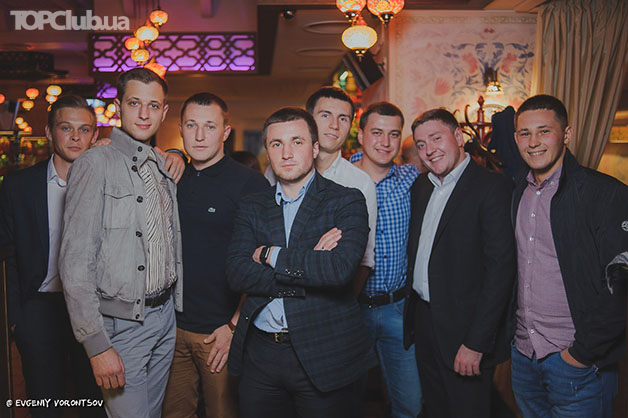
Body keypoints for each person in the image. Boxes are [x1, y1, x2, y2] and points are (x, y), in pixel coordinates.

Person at [226, 107, 376, 418]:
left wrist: (269, 255)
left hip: (325, 352)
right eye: (276, 144)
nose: (286, 153)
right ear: (267, 151)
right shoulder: (252, 205)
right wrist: (310, 266)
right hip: (261, 356)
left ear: (315, 148)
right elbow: (237, 273)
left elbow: (339, 270)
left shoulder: (346, 200)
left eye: (297, 141)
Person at [59, 68, 182, 418]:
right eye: (134, 103)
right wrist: (96, 344)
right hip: (121, 324)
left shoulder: (162, 165)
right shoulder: (95, 162)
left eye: (153, 105)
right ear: (118, 107)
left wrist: (178, 154)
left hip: (164, 318)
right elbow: (75, 262)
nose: (144, 114)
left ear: (164, 112)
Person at [510, 94, 628, 418]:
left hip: (577, 363)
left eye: (544, 131)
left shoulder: (606, 193)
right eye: (525, 133)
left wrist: (580, 354)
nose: (533, 142)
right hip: (524, 356)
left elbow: (620, 286)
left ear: (567, 134)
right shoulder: (516, 190)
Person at [404, 108, 516, 418]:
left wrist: (476, 342)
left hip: (465, 329)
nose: (429, 150)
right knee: (435, 408)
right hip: (425, 321)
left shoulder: (493, 187)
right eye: (421, 144)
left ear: (458, 136)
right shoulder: (421, 187)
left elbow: (500, 272)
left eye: (436, 138)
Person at [162, 93, 268, 418]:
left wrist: (234, 325)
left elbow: (262, 263)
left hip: (220, 332)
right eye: (191, 125)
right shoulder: (170, 177)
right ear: (180, 129)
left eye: (209, 126)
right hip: (169, 328)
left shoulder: (250, 184)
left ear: (225, 131)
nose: (199, 135)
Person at [0, 95, 106, 418]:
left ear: (94, 136)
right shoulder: (17, 186)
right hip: (40, 310)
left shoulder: (108, 186)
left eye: (84, 129)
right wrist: (16, 318)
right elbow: (7, 254)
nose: (75, 137)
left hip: (93, 310)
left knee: (93, 404)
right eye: (66, 128)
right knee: (45, 403)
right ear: (49, 132)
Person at [350, 102, 423, 418]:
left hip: (397, 309)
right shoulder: (339, 178)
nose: (385, 142)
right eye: (377, 132)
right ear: (361, 135)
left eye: (393, 134)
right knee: (343, 401)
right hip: (350, 309)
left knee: (410, 404)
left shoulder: (411, 178)